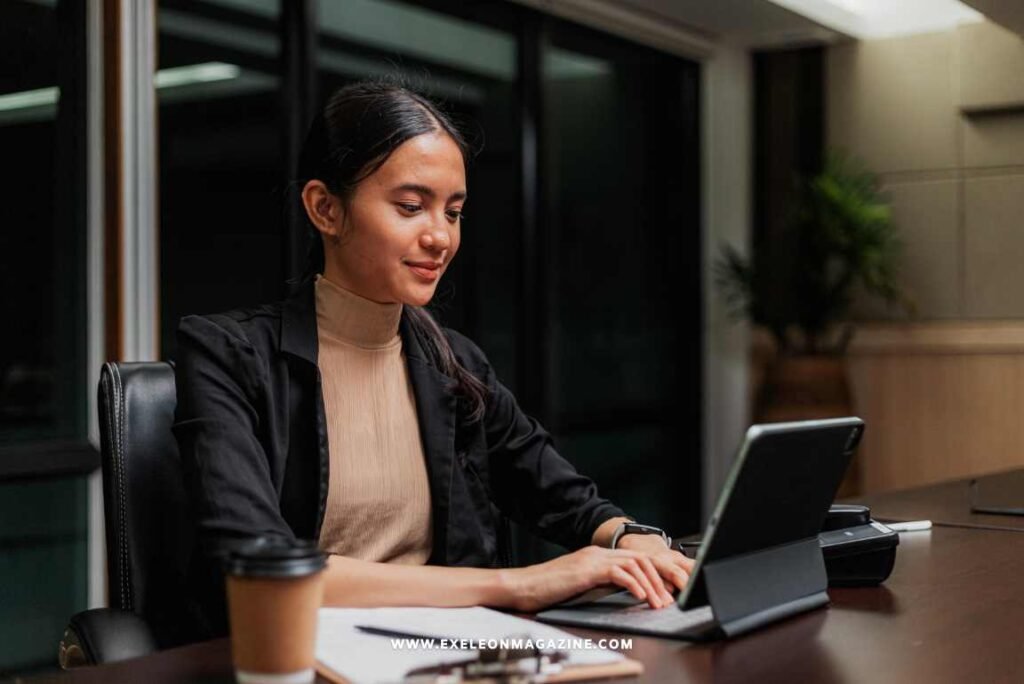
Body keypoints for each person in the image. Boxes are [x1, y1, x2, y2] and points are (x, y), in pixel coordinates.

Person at [173, 81, 694, 638]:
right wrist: (519, 584)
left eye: (454, 212)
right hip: (295, 655)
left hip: (446, 651)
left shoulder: (452, 360)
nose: (441, 237)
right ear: (325, 208)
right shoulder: (228, 354)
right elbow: (264, 568)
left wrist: (627, 536)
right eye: (411, 207)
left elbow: (560, 494)